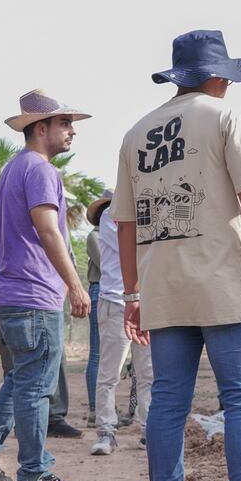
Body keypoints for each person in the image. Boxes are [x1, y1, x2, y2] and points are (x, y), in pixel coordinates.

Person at [111, 29, 241, 481]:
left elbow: (125, 224)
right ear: (217, 76)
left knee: (168, 402)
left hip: (162, 286)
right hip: (224, 284)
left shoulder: (136, 133)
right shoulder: (226, 117)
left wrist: (132, 293)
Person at [0, 89, 92, 481]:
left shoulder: (14, 167)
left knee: (23, 379)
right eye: (65, 124)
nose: (72, 132)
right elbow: (49, 231)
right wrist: (75, 285)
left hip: (14, 293)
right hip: (34, 293)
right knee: (34, 385)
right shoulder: (41, 170)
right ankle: (32, 473)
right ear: (40, 127)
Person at [0, 212, 81, 439]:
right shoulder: (4, 217)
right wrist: (1, 296)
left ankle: (53, 418)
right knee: (19, 369)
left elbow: (68, 263)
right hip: (15, 304)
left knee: (53, 361)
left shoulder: (57, 220)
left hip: (47, 305)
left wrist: (56, 300)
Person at [89, 189, 153, 455]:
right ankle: (106, 431)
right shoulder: (110, 216)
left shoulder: (143, 213)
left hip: (148, 303)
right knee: (110, 373)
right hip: (117, 301)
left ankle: (149, 430)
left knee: (148, 372)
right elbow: (138, 245)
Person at [85, 208, 102, 428]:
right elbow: (107, 264)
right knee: (98, 352)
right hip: (101, 289)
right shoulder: (95, 236)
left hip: (116, 292)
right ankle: (95, 408)